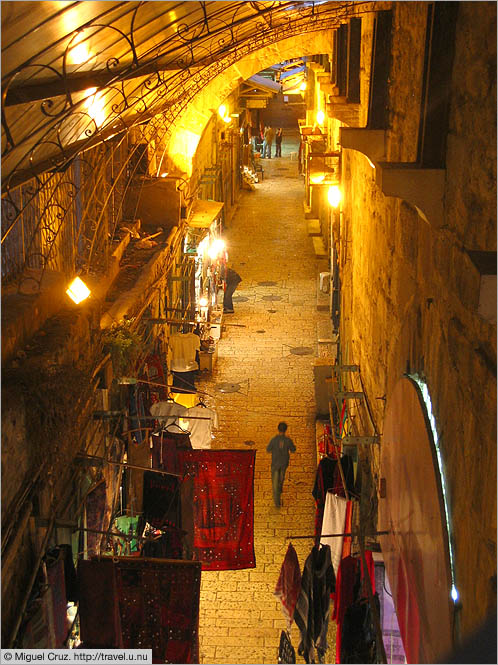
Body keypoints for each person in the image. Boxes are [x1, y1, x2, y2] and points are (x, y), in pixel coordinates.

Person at [266, 422, 296, 507]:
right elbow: (293, 449)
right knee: (281, 478)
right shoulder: (288, 440)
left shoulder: (274, 439)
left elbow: (268, 449)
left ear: (278, 429)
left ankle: (277, 501)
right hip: (284, 463)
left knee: (275, 482)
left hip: (275, 463)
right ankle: (280, 487)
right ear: (285, 430)